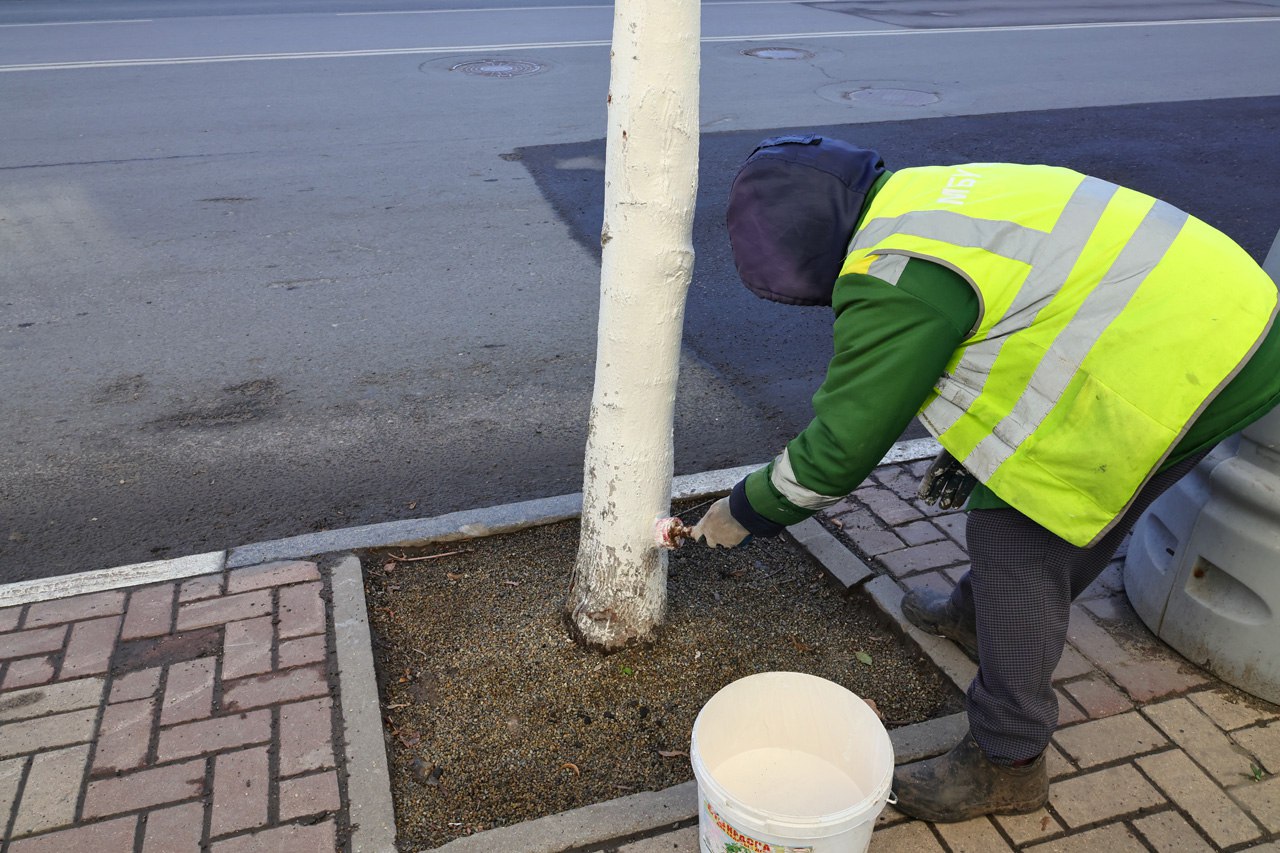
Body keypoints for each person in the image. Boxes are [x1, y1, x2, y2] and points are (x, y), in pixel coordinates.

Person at [689, 134, 1280, 822]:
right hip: (1229, 322)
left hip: (1184, 355)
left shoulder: (894, 277)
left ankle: (1007, 760)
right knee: (1074, 507)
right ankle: (979, 618)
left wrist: (744, 511)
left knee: (1019, 535)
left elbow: (839, 451)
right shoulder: (918, 198)